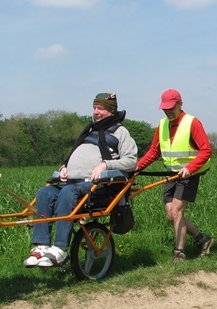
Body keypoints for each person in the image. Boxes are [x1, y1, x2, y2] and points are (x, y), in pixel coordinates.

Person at [23, 93, 137, 267]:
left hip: (100, 187)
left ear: (112, 111)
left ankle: (60, 248)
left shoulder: (121, 132)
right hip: (72, 182)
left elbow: (131, 161)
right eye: (95, 108)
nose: (96, 112)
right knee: (44, 192)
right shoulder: (90, 130)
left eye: (101, 108)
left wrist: (106, 165)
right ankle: (42, 246)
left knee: (69, 192)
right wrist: (65, 167)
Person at [136, 89, 214, 261]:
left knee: (177, 210)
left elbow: (206, 150)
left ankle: (179, 253)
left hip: (189, 174)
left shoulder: (192, 123)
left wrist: (191, 168)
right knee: (171, 214)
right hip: (171, 175)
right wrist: (137, 167)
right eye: (165, 108)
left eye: (171, 107)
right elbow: (154, 151)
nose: (168, 111)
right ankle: (203, 239)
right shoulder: (162, 125)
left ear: (180, 104)